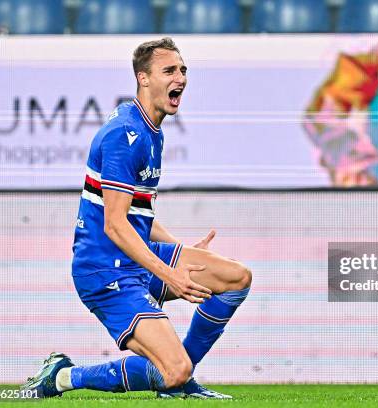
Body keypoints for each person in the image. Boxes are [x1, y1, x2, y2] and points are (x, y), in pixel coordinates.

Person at [22, 37, 252, 399]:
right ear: (143, 79)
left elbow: (137, 212)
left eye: (182, 70)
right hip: (104, 270)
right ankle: (64, 375)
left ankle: (175, 381)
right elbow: (115, 224)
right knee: (173, 368)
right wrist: (169, 273)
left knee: (236, 277)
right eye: (169, 70)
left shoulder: (150, 129)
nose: (181, 77)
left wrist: (178, 250)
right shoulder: (124, 136)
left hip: (136, 257)